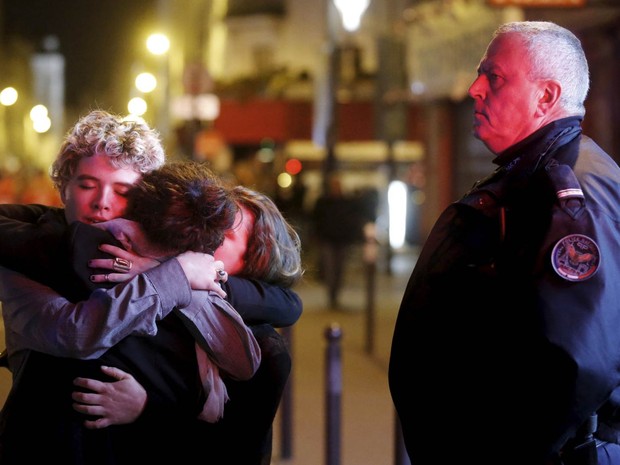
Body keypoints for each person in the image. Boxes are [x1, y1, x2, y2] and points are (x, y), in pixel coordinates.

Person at [0, 110, 301, 463]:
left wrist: (146, 405)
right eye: (86, 184)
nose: (102, 201)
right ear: (64, 188)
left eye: (123, 189)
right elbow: (75, 331)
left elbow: (229, 441)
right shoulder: (40, 249)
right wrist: (173, 273)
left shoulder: (248, 327)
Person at [388, 21, 620, 465]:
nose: (475, 89)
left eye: (494, 77)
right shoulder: (532, 176)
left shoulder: (570, 194)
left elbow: (574, 366)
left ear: (546, 96)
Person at [77, 184, 304, 463]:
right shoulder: (159, 288)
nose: (207, 236)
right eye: (207, 223)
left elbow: (235, 450)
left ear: (254, 260)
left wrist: (145, 408)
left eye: (226, 234)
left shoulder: (263, 349)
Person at [312, 173, 364, 308]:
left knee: (339, 269)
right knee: (330, 269)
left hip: (341, 240)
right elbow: (316, 220)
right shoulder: (323, 202)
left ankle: (335, 295)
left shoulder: (346, 202)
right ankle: (332, 296)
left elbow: (352, 220)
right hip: (328, 239)